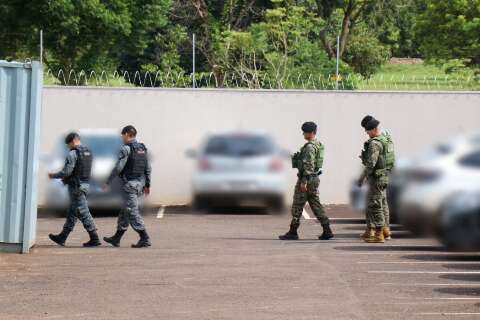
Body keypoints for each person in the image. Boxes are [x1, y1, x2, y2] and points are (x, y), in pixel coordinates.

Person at [279, 122, 333, 240]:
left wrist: (304, 181)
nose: (303, 134)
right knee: (315, 204)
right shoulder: (317, 144)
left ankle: (293, 231)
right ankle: (327, 229)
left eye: (305, 132)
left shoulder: (309, 147)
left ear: (310, 133)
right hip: (314, 179)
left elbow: (309, 165)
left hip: (307, 179)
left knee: (298, 204)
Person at [48, 132, 101, 247]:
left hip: (76, 188)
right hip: (85, 185)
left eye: (68, 145)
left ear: (72, 141)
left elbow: (67, 171)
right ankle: (62, 237)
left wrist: (54, 175)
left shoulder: (73, 154)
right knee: (73, 213)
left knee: (84, 212)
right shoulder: (88, 152)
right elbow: (81, 170)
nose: (68, 147)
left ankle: (94, 238)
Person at [103, 125, 152, 248]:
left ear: (126, 135)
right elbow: (148, 168)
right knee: (125, 211)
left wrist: (108, 181)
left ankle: (144, 238)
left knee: (132, 211)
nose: (121, 138)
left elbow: (118, 167)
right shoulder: (142, 149)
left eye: (122, 135)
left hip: (129, 185)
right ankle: (117, 238)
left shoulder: (126, 149)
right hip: (139, 185)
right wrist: (147, 185)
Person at [358, 115, 395, 243]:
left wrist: (362, 177)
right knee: (383, 204)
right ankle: (385, 230)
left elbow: (371, 164)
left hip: (377, 177)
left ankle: (377, 233)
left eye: (367, 130)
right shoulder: (386, 138)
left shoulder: (375, 143)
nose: (366, 133)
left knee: (374, 205)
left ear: (372, 129)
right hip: (385, 175)